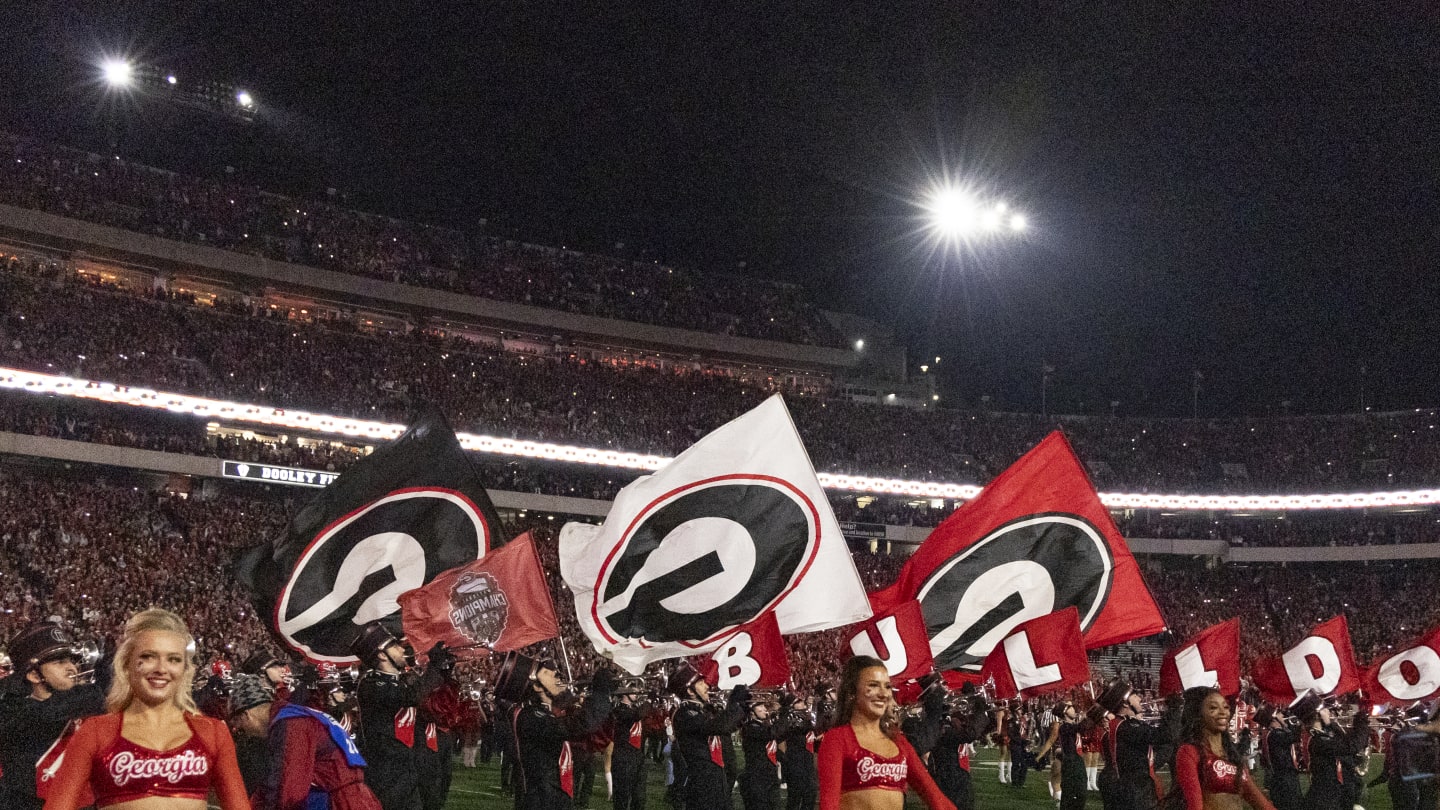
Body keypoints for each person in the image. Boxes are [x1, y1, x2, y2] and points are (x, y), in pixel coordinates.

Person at [41, 608, 249, 810]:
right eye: (148, 657)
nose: (161, 668)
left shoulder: (213, 733)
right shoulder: (95, 732)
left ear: (185, 669)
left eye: (174, 659)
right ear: (126, 664)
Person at [817, 655, 954, 810]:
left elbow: (936, 798)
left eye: (887, 686)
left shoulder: (899, 742)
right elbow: (829, 804)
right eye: (873, 685)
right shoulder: (837, 739)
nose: (883, 694)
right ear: (851, 692)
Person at [227, 673, 382, 810]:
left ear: (246, 715)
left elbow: (289, 789)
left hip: (341, 802)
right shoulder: (299, 714)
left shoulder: (291, 723)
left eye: (241, 728)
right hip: (354, 797)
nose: (247, 733)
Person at [0, 622, 106, 810]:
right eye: (59, 662)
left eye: (71, 660)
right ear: (34, 675)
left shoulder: (82, 703)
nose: (72, 668)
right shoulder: (12, 714)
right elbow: (46, 714)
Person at [350, 622, 452, 810]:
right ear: (382, 654)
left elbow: (431, 703)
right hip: (384, 772)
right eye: (395, 646)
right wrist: (434, 667)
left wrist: (445, 669)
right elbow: (411, 697)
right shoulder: (371, 684)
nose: (401, 650)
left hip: (407, 768)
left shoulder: (401, 681)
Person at [495, 651, 615, 810]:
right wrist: (600, 694)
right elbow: (582, 724)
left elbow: (596, 733)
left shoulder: (546, 713)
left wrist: (570, 698)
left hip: (552, 798)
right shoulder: (531, 718)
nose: (556, 674)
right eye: (547, 673)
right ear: (537, 687)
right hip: (542, 800)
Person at [1166, 686, 1275, 810]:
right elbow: (1194, 806)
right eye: (1213, 708)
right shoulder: (1189, 752)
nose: (1223, 712)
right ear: (1197, 713)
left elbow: (1261, 803)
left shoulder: (1232, 756)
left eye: (1225, 707)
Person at [669, 663, 746, 810]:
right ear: (690, 691)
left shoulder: (703, 711)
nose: (707, 686)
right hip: (702, 784)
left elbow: (727, 728)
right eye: (700, 682)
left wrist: (743, 708)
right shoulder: (685, 713)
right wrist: (734, 703)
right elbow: (719, 726)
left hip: (717, 779)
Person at [1298, 696, 1369, 810]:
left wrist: (1330, 724)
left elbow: (1342, 740)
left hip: (1334, 795)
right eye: (1324, 709)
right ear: (1318, 715)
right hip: (1326, 800)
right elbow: (1351, 746)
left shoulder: (1320, 735)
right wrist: (1362, 722)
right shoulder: (1317, 740)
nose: (1328, 711)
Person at [1036, 700, 1091, 810]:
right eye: (1071, 707)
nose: (1074, 709)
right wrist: (1091, 715)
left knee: (1080, 793)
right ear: (1065, 711)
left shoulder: (1070, 726)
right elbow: (1082, 727)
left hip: (1076, 760)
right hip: (1071, 763)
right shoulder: (1064, 727)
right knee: (1071, 794)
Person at [607, 686, 649, 810]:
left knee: (639, 796)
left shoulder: (634, 709)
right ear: (624, 693)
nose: (637, 692)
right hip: (623, 757)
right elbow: (637, 715)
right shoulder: (618, 710)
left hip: (638, 756)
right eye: (633, 691)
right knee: (622, 796)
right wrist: (649, 701)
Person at [777, 692, 819, 810]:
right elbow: (780, 738)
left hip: (807, 760)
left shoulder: (806, 717)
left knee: (810, 794)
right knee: (795, 798)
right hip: (795, 762)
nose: (802, 703)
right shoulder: (788, 720)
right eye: (798, 702)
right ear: (792, 706)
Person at [1254, 707, 1301, 810]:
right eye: (1280, 715)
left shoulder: (1273, 733)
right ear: (1274, 719)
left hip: (1281, 777)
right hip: (1284, 778)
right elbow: (1294, 737)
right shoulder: (1276, 734)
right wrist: (1287, 725)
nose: (1283, 716)